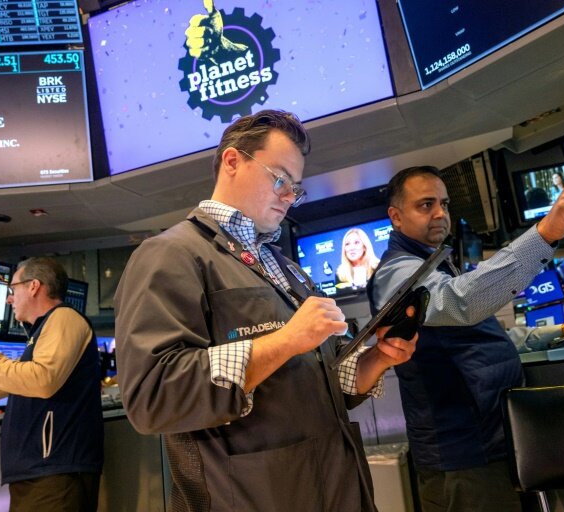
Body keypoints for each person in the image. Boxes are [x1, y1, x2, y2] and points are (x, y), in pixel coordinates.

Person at [113, 109, 418, 512]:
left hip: (338, 486)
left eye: (295, 188)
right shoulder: (170, 255)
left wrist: (377, 359)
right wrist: (287, 341)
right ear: (232, 161)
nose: (289, 197)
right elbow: (154, 397)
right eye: (280, 179)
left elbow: (325, 385)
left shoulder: (285, 267)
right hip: (250, 496)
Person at [368, 164, 564, 512]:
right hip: (463, 455)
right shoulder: (397, 271)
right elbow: (460, 303)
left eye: (444, 204)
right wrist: (545, 233)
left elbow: (480, 338)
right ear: (396, 217)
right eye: (425, 205)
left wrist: (561, 330)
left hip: (491, 443)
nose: (440, 213)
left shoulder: (436, 263)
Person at [0, 257, 103, 512]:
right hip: (39, 472)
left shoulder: (64, 318)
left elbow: (43, 381)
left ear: (33, 286)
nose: (9, 299)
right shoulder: (42, 333)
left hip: (55, 471)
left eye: (13, 288)